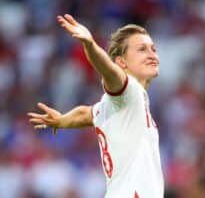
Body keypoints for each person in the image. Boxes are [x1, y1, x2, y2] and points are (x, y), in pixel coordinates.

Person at [28, 14, 164, 198]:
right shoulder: (130, 91)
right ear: (121, 62)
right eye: (142, 49)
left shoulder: (119, 105)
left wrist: (62, 120)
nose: (152, 54)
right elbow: (109, 72)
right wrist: (90, 45)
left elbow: (86, 113)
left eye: (153, 49)